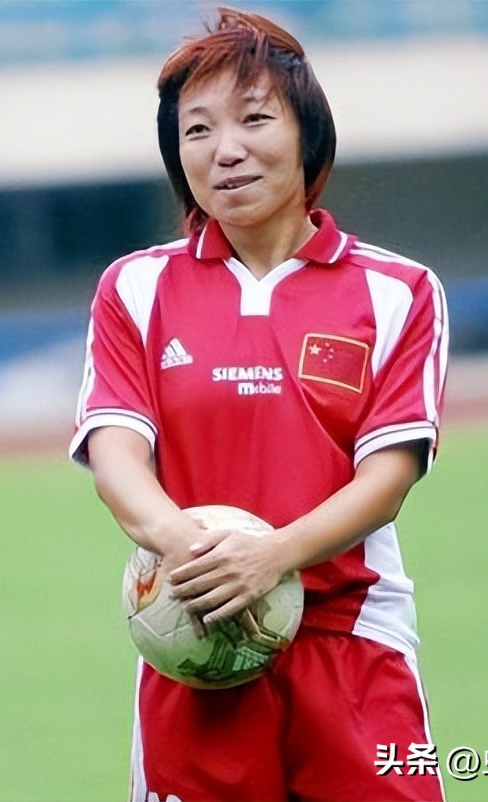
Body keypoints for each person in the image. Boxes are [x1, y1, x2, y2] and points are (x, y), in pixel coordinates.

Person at [70, 8, 448, 801]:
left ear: (308, 133)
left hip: (352, 640)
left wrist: (272, 558)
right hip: (191, 635)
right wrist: (193, 555)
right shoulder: (137, 288)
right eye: (197, 130)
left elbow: (388, 476)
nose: (226, 150)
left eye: (253, 119)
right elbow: (114, 454)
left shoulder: (397, 290)